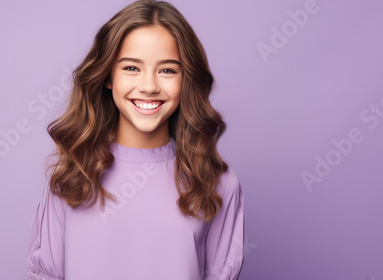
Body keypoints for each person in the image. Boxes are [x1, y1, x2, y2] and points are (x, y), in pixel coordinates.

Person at [27, 0, 245, 279]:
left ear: (185, 79)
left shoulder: (217, 184)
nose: (149, 86)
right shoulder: (72, 174)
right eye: (132, 68)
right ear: (108, 76)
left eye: (167, 70)